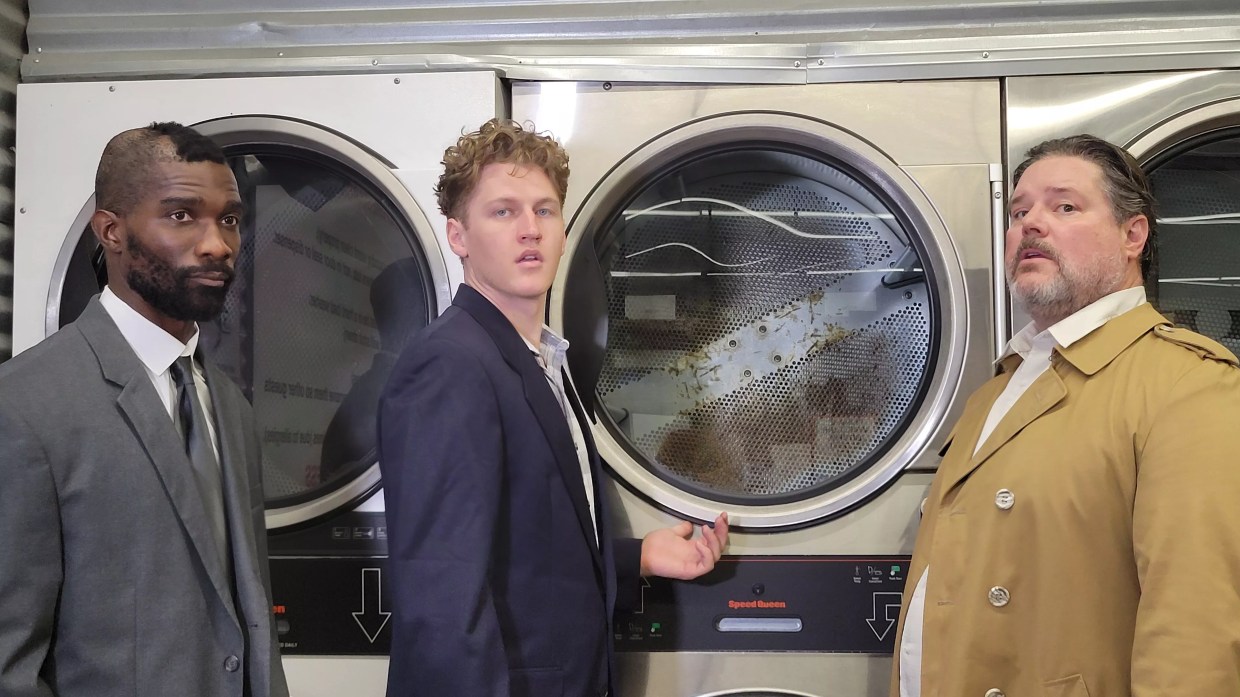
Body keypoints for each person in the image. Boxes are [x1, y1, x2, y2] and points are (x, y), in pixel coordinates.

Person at [378, 118, 730, 697]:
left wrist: (638, 557)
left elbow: (525, 546)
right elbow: (442, 596)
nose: (529, 230)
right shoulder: (449, 365)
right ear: (458, 236)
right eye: (503, 211)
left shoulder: (540, 357)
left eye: (544, 211)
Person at [891, 134, 1240, 696]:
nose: (1031, 223)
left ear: (1132, 235)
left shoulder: (1189, 385)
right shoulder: (995, 391)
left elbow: (1196, 638)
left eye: (1065, 207)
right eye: (1019, 212)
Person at [0, 122, 289, 697]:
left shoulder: (228, 405)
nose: (217, 245)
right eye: (181, 215)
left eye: (229, 219)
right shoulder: (25, 406)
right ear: (111, 230)